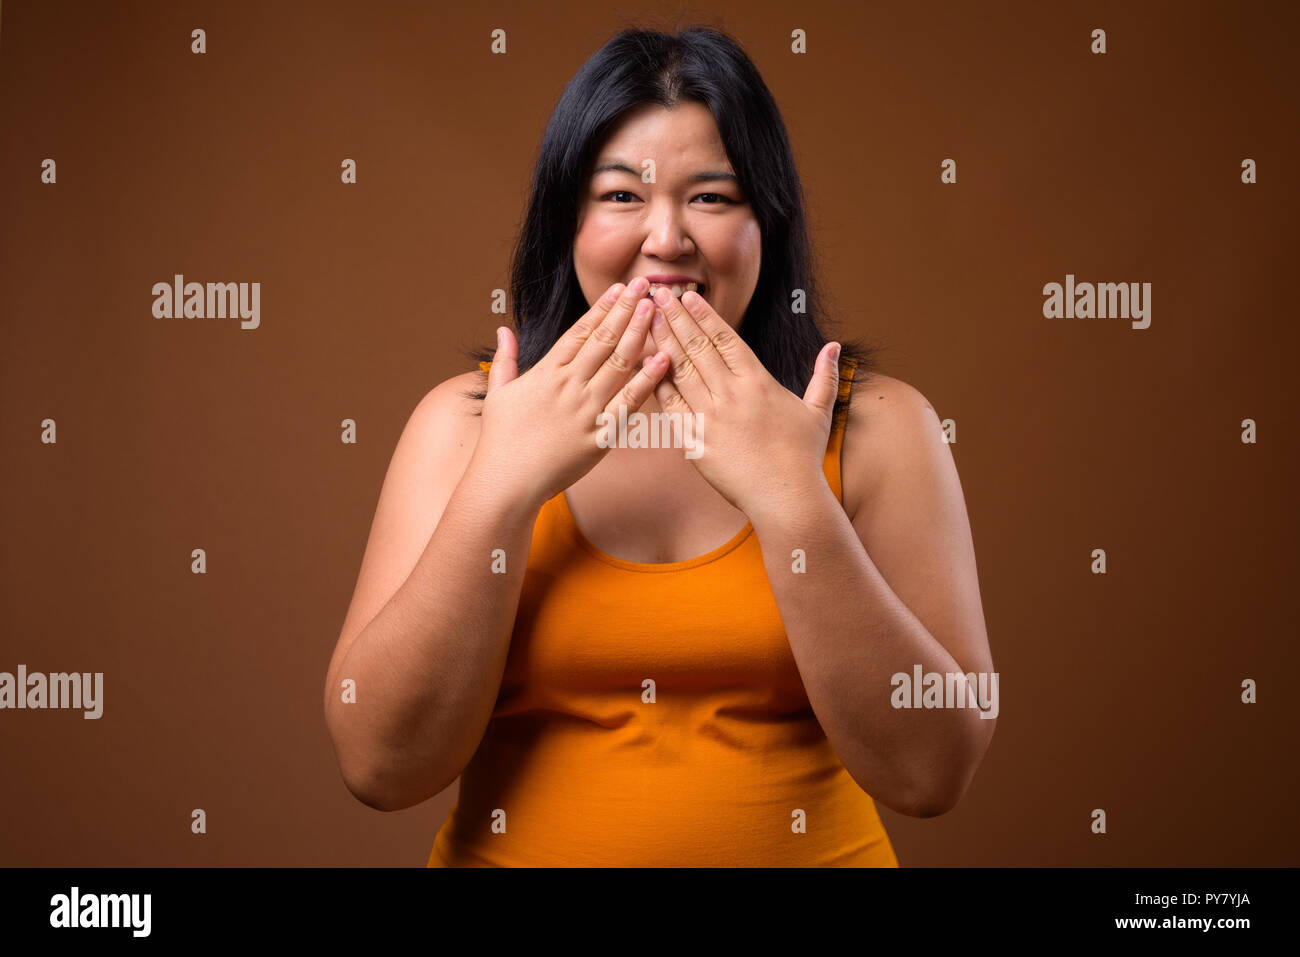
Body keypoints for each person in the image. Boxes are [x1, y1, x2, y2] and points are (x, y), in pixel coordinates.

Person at [323, 25, 996, 867]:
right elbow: (379, 763)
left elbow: (933, 771)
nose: (668, 239)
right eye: (620, 196)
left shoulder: (877, 425)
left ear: (768, 226)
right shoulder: (463, 423)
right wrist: (499, 486)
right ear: (565, 225)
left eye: (713, 198)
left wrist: (792, 495)